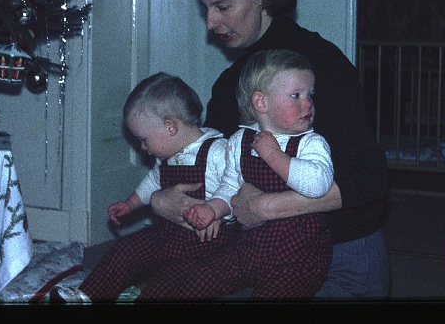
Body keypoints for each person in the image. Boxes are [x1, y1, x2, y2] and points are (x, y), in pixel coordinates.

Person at [150, 0, 390, 299]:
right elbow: (215, 172)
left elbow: (370, 179)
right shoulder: (230, 83)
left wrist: (267, 207)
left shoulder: (319, 64)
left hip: (339, 259)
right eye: (206, 10)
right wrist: (160, 200)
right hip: (260, 255)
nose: (210, 24)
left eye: (222, 7)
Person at [140, 48, 334, 300]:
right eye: (296, 95)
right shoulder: (240, 140)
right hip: (251, 247)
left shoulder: (311, 143)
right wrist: (213, 209)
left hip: (299, 255)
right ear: (261, 103)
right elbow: (231, 185)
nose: (307, 103)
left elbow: (319, 185)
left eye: (310, 95)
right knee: (195, 281)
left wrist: (275, 156)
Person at [52, 72, 241, 303]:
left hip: (207, 245)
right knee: (127, 248)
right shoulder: (168, 155)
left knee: (166, 284)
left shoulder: (217, 151)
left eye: (144, 139)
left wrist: (218, 213)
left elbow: (236, 188)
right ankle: (87, 295)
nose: (142, 147)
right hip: (168, 233)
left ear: (171, 127)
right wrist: (131, 203)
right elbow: (153, 181)